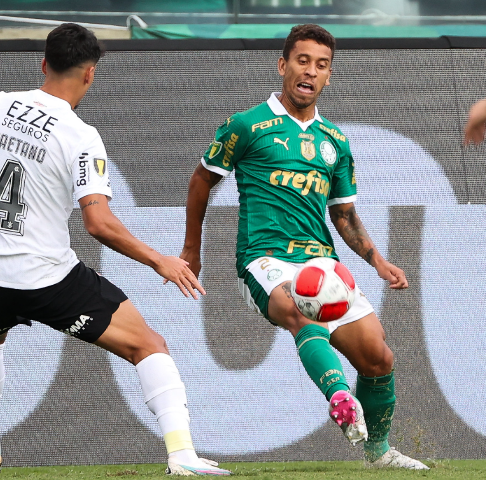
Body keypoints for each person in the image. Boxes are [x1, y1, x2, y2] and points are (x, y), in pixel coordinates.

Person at [0, 23, 231, 477]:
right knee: (149, 346)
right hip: (47, 281)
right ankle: (181, 455)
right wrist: (160, 258)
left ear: (43, 64)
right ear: (90, 75)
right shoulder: (80, 136)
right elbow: (97, 223)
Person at [179, 24, 429, 470]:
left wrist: (377, 260)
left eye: (321, 65)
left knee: (378, 355)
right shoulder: (248, 125)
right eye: (302, 61)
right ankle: (339, 399)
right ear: (283, 65)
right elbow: (202, 180)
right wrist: (191, 249)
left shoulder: (335, 142)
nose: (310, 72)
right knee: (297, 309)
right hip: (264, 259)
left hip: (321, 263)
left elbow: (344, 216)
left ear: (329, 76)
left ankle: (378, 452)